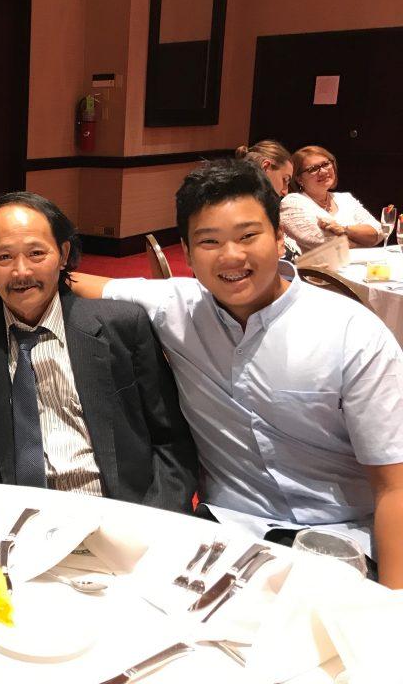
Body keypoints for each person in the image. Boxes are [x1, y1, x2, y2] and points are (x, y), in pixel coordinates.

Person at [69, 159, 403, 587]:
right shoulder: (177, 306)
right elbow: (65, 278)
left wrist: (391, 608)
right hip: (224, 533)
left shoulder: (352, 334)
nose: (231, 256)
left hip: (338, 541)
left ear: (281, 239)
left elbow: (393, 486)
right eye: (209, 242)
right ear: (187, 254)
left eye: (248, 236)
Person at [0, 192, 197, 512]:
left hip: (119, 516)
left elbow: (172, 442)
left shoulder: (121, 327)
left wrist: (152, 521)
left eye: (36, 253)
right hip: (17, 524)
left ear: (63, 254)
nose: (21, 272)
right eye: (4, 257)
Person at [280, 145, 381, 252]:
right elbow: (325, 244)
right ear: (299, 179)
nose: (323, 171)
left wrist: (344, 229)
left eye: (325, 164)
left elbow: (378, 232)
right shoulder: (292, 202)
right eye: (313, 169)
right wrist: (362, 241)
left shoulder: (345, 198)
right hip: (316, 268)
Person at [236, 140, 301, 259]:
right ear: (265, 166)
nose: (285, 191)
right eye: (285, 180)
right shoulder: (238, 210)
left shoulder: (264, 208)